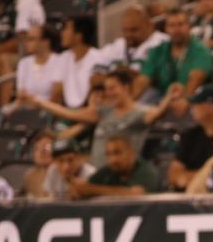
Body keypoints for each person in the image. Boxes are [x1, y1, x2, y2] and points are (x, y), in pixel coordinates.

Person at [21, 68, 179, 170]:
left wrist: (168, 98)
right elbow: (69, 113)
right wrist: (38, 102)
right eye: (107, 88)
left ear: (126, 87)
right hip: (94, 173)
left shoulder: (141, 112)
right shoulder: (103, 112)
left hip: (122, 173)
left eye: (113, 88)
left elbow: (157, 113)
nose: (109, 93)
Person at [135, 8, 213, 100]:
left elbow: (195, 81)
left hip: (194, 102)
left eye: (180, 24)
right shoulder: (158, 51)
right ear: (166, 29)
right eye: (171, 26)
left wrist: (182, 101)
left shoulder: (201, 51)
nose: (176, 30)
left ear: (189, 26)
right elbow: (143, 80)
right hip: (164, 101)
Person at [168, 85, 213, 191]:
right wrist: (205, 177)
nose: (192, 108)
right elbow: (174, 176)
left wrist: (189, 177)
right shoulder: (190, 135)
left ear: (212, 106)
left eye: (196, 104)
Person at [70, 136, 161, 197]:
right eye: (108, 155)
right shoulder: (108, 171)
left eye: (117, 153)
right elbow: (81, 190)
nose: (113, 160)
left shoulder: (146, 170)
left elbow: (136, 194)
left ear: (131, 153)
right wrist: (80, 189)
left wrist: (92, 190)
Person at [92, 4, 169, 72]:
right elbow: (96, 66)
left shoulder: (162, 42)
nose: (129, 34)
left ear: (149, 25)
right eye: (125, 30)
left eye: (134, 30)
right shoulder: (119, 44)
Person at [54, 16, 103, 110]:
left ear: (78, 35)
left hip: (88, 112)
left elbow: (96, 96)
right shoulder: (63, 58)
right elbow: (56, 93)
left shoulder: (98, 58)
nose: (62, 33)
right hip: (67, 113)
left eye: (66, 29)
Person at [13, 24, 64, 104]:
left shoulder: (60, 62)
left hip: (52, 111)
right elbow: (20, 94)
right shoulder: (23, 63)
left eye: (31, 39)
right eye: (27, 39)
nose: (27, 43)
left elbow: (56, 96)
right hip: (27, 109)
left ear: (45, 42)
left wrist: (34, 101)